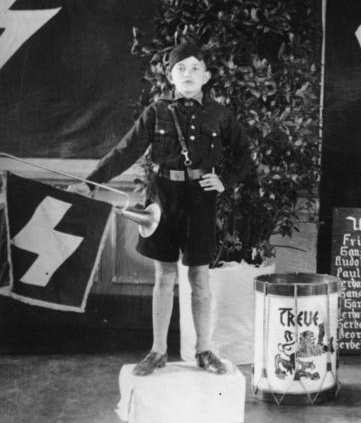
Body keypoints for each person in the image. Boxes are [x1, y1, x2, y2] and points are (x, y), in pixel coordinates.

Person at [71, 40, 252, 376]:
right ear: (170, 76)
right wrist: (91, 182)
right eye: (180, 68)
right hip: (163, 199)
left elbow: (244, 154)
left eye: (195, 68)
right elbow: (125, 151)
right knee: (163, 276)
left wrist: (225, 180)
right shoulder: (157, 111)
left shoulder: (220, 114)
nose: (187, 74)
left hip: (200, 200)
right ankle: (157, 352)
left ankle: (204, 350)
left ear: (207, 76)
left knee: (199, 278)